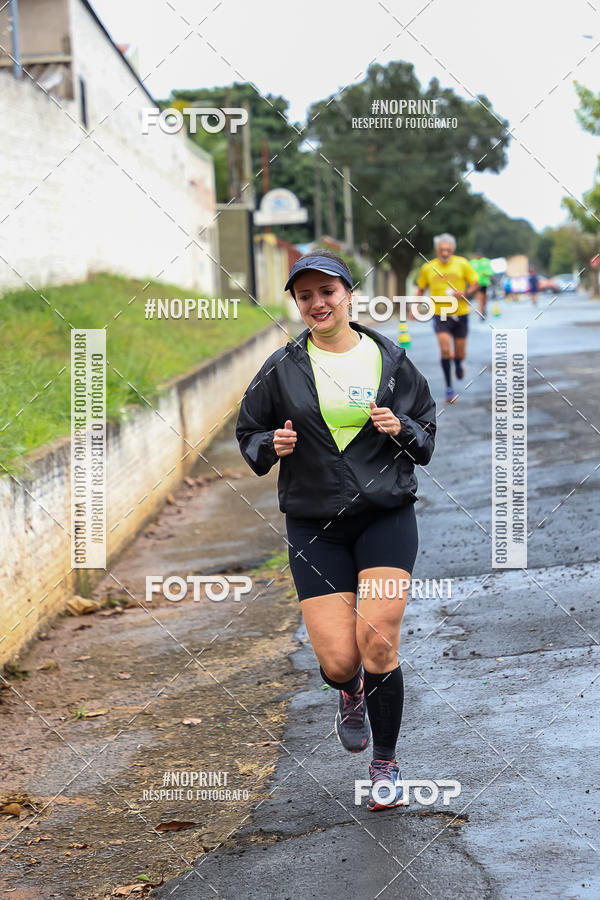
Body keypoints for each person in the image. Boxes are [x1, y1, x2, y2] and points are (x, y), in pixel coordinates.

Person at [236, 250, 436, 811]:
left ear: (348, 294)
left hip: (385, 516)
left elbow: (426, 435)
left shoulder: (391, 360)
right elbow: (248, 430)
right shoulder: (282, 368)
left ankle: (386, 764)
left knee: (377, 638)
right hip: (314, 524)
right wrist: (267, 447)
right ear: (297, 304)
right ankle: (347, 691)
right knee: (339, 661)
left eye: (327, 292)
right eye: (305, 297)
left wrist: (403, 429)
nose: (317, 304)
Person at [416, 234, 479, 404]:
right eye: (442, 250)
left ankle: (458, 363)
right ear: (437, 250)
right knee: (444, 350)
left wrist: (465, 293)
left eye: (448, 250)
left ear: (452, 250)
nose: (445, 253)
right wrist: (415, 306)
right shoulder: (428, 267)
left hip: (461, 313)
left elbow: (476, 282)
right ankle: (449, 389)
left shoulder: (462, 264)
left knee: (460, 352)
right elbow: (421, 288)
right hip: (440, 314)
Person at [469, 251, 494, 318]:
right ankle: (481, 312)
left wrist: (486, 273)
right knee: (479, 298)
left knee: (484, 298)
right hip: (476, 283)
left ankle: (483, 308)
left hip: (485, 283)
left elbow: (491, 272)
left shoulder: (486, 261)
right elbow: (469, 272)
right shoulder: (472, 262)